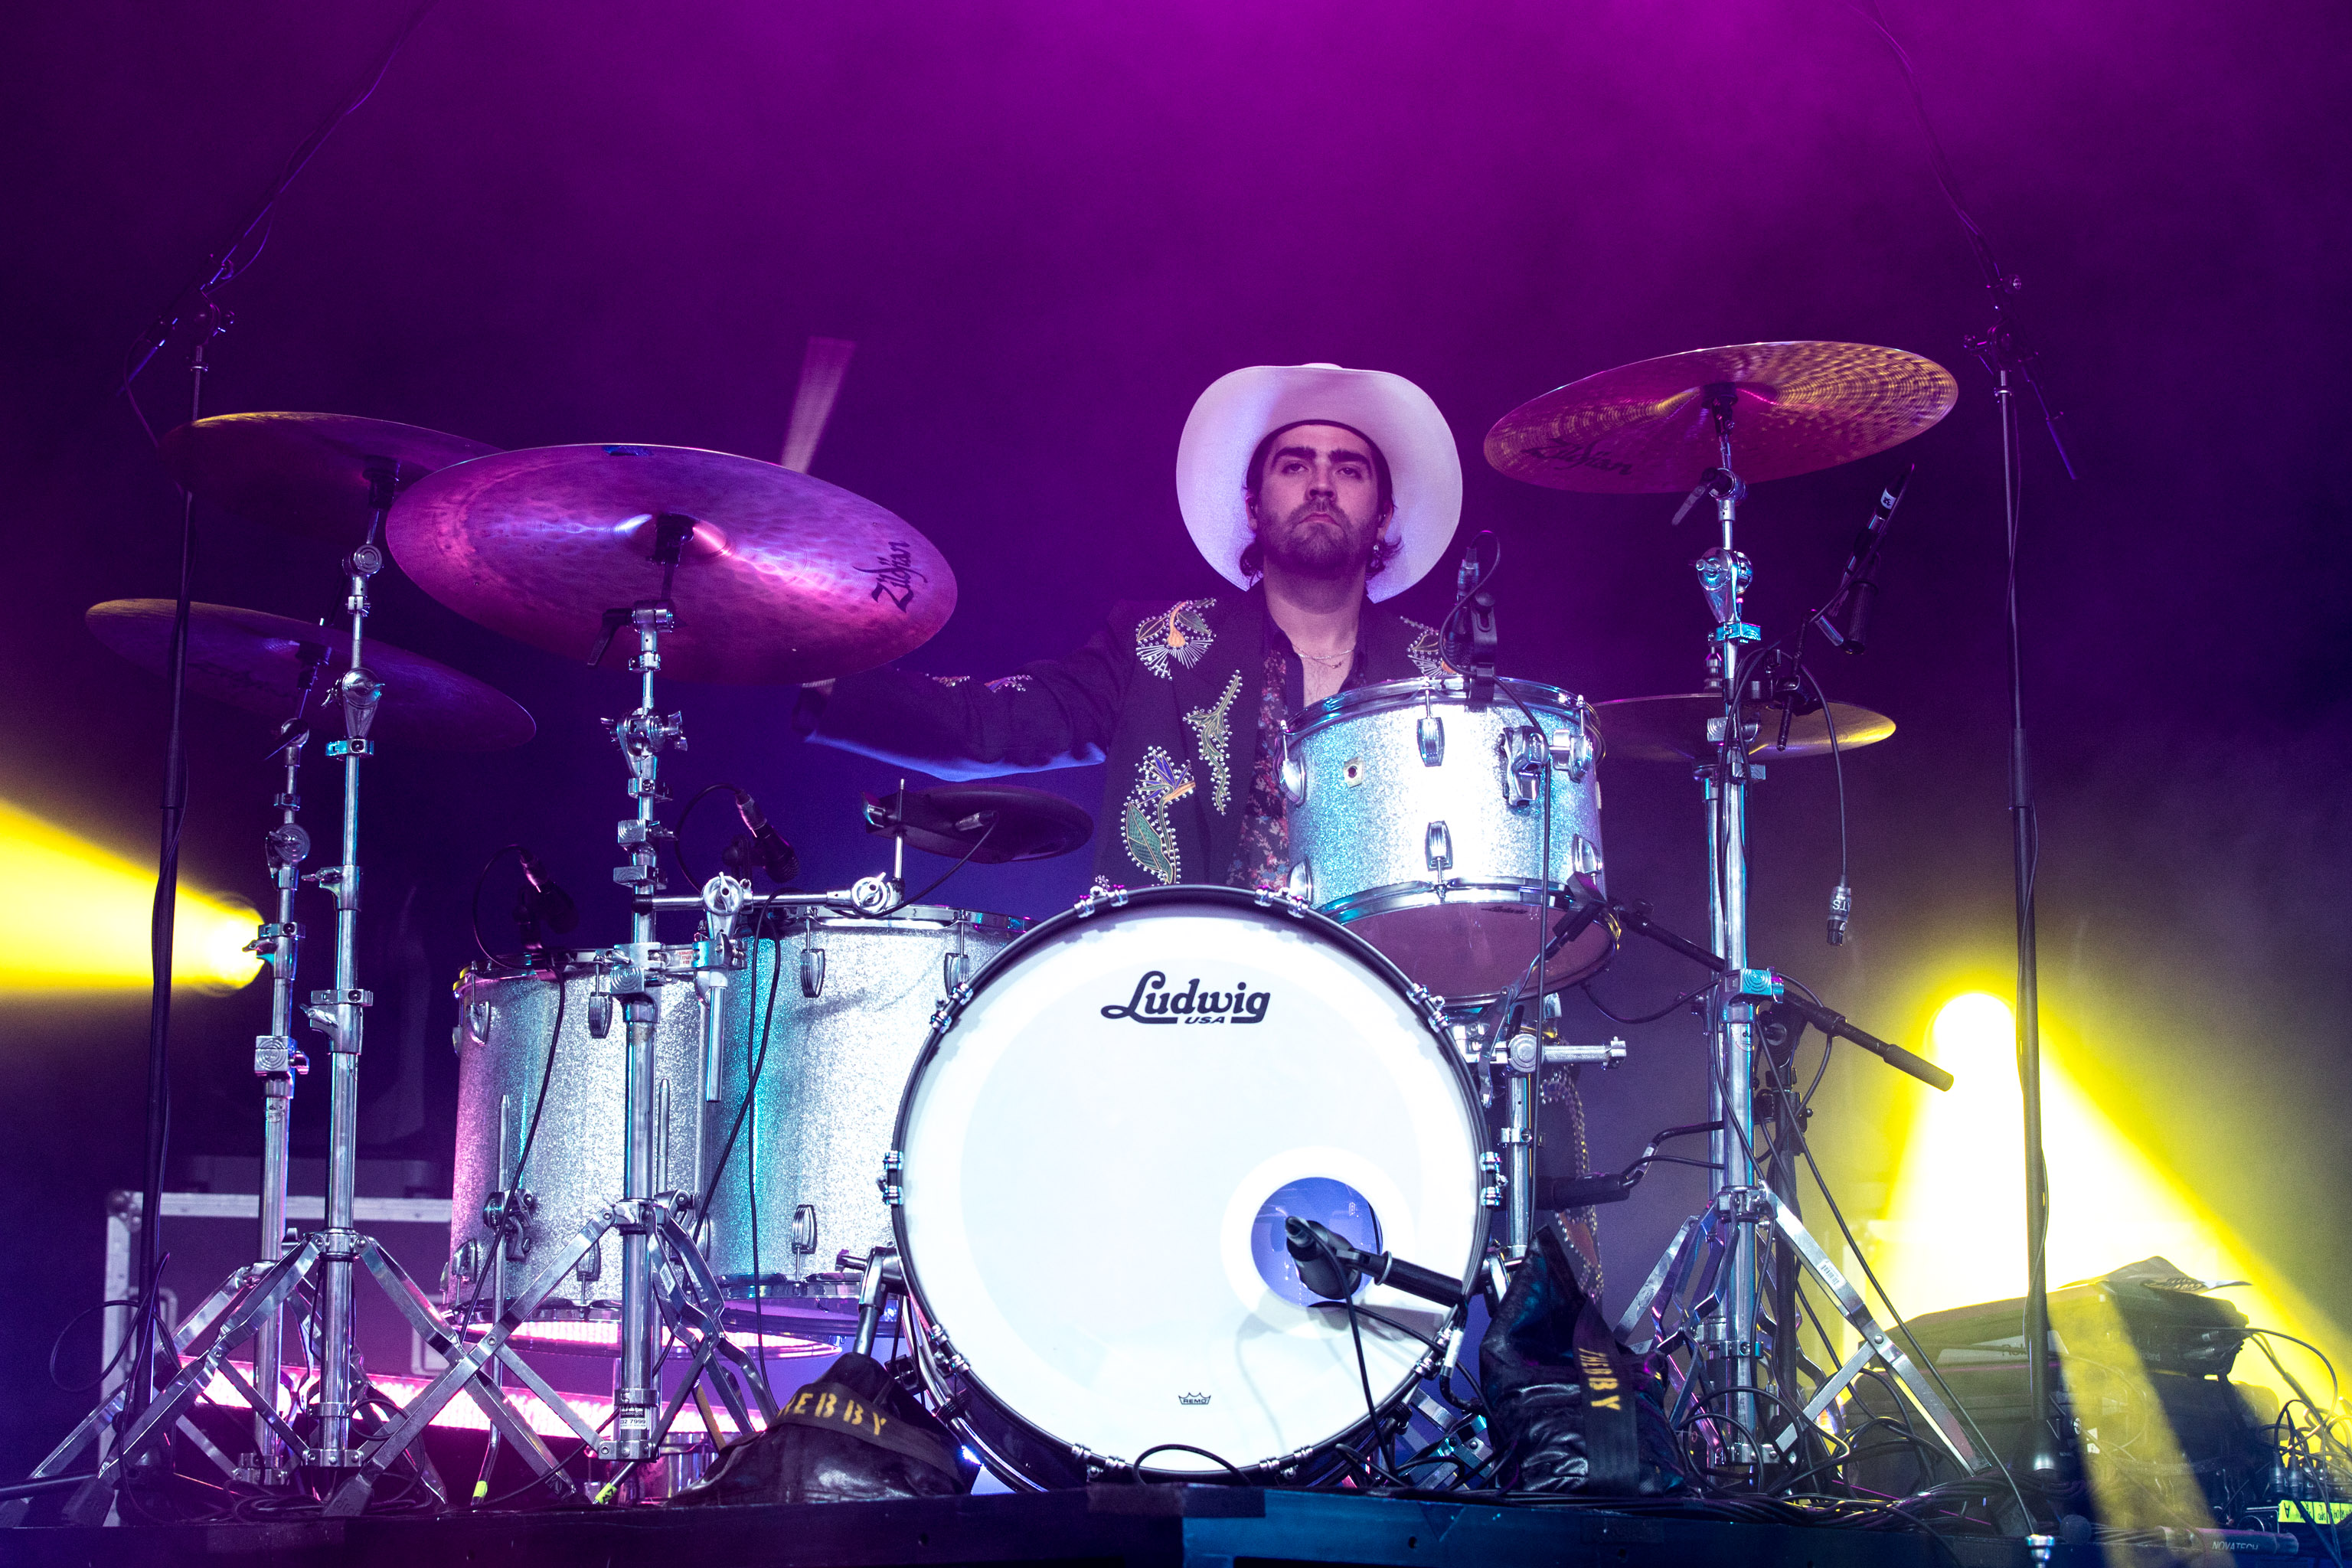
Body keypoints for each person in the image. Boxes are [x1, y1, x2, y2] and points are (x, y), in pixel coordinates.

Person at [794, 362, 1465, 893]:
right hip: (1187, 996)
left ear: (1383, 515)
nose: (1321, 484)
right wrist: (817, 671)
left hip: (1390, 998)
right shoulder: (1156, 647)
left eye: (1349, 469)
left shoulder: (1444, 673)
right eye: (1295, 465)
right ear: (1253, 508)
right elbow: (991, 723)